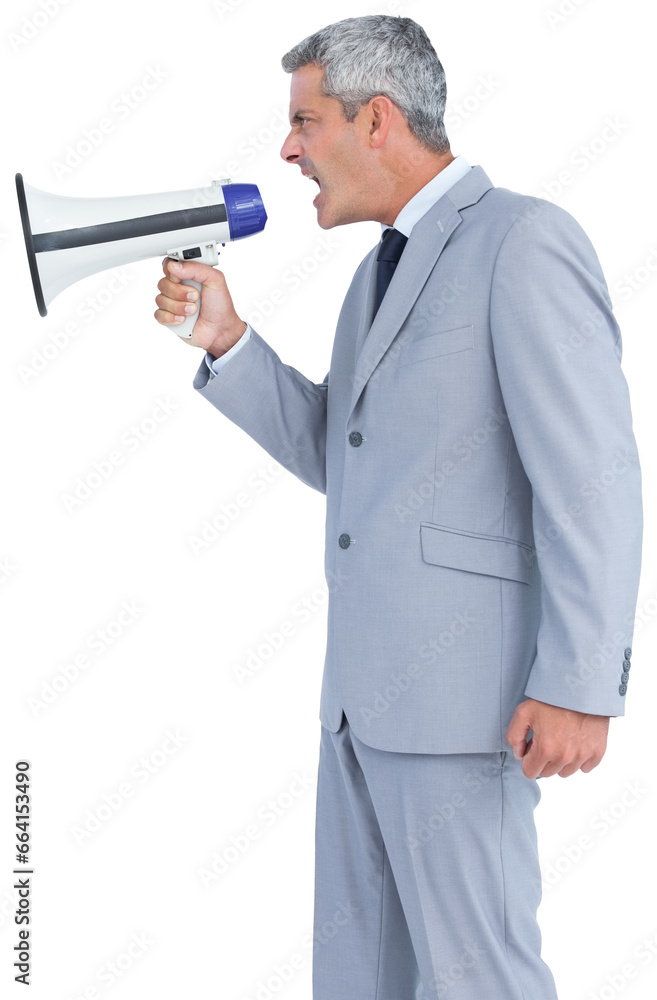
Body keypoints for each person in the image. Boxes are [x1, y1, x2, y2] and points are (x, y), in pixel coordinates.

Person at [154, 16, 642, 999]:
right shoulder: (374, 278)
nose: (288, 151)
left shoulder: (525, 241)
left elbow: (596, 474)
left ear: (377, 120)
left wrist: (583, 680)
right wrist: (227, 340)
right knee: (361, 981)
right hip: (359, 713)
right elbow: (350, 457)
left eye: (305, 122)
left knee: (478, 980)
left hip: (467, 713)